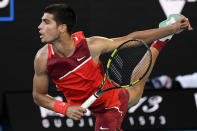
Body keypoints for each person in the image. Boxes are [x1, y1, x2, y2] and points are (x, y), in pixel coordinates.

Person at [33, 3, 192, 131]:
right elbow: (38, 95)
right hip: (98, 100)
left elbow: (131, 38)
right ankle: (162, 40)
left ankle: (163, 38)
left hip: (111, 103)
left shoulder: (91, 46)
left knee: (129, 96)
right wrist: (65, 108)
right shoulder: (42, 58)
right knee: (135, 93)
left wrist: (171, 28)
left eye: (46, 22)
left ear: (62, 27)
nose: (40, 26)